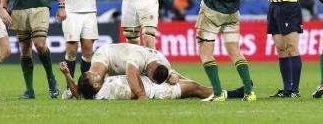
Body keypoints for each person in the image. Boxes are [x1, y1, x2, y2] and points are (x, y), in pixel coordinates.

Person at [49, 0, 113, 99]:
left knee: (87, 52)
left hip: (89, 13)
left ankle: (86, 86)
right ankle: (70, 88)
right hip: (71, 13)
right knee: (71, 50)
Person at [59, 62, 249, 100]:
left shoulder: (97, 91)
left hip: (152, 85)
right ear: (95, 85)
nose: (94, 72)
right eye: (92, 75)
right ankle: (233, 94)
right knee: (195, 88)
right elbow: (79, 96)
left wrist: (67, 75)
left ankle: (230, 93)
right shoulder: (110, 90)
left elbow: (78, 95)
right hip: (155, 92)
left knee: (195, 89)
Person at [81, 43, 178, 100]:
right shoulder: (139, 57)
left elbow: (171, 72)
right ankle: (76, 92)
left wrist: (174, 75)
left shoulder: (165, 63)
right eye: (152, 79)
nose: (152, 82)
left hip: (124, 65)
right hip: (108, 55)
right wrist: (141, 95)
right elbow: (131, 73)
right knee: (94, 79)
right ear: (151, 70)